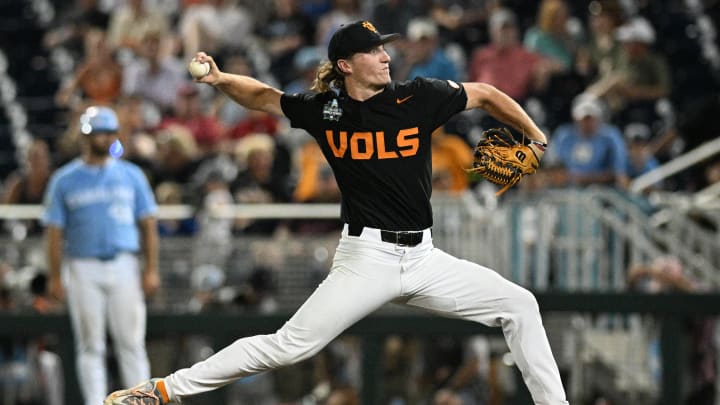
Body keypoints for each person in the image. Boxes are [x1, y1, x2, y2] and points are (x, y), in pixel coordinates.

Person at [104, 20, 569, 405]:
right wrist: (221, 80)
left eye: (383, 48)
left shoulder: (418, 97)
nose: (385, 56)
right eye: (372, 51)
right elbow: (265, 97)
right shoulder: (327, 109)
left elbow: (486, 93)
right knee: (288, 346)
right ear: (346, 65)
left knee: (520, 305)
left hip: (425, 257)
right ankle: (162, 390)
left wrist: (534, 134)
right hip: (366, 258)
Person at [43, 105, 160, 405]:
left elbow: (148, 226)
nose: (106, 138)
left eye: (109, 132)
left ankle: (139, 401)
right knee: (89, 344)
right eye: (100, 133)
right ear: (86, 137)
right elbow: (54, 233)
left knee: (131, 342)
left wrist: (151, 270)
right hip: (82, 265)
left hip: (124, 263)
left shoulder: (132, 175)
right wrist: (56, 276)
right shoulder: (64, 179)